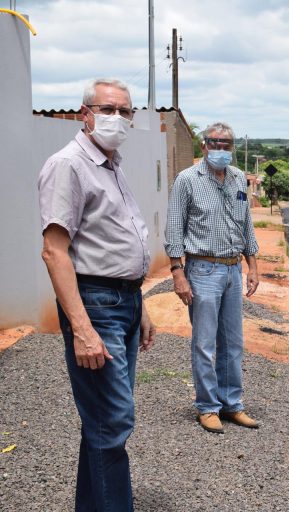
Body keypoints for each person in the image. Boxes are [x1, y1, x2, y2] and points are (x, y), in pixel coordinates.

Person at [37, 77, 156, 511]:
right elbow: (54, 251)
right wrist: (83, 329)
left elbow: (113, 241)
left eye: (125, 111)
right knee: (113, 422)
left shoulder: (110, 164)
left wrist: (138, 304)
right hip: (97, 306)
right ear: (85, 114)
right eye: (108, 109)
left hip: (123, 302)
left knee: (104, 423)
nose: (118, 118)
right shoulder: (69, 165)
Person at [164, 122, 260, 434]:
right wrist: (178, 273)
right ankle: (207, 407)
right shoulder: (187, 180)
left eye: (226, 144)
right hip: (202, 270)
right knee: (205, 343)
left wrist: (252, 266)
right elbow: (174, 229)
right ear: (204, 146)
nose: (220, 149)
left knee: (233, 343)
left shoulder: (238, 179)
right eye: (214, 143)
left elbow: (246, 224)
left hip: (233, 269)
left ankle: (232, 404)